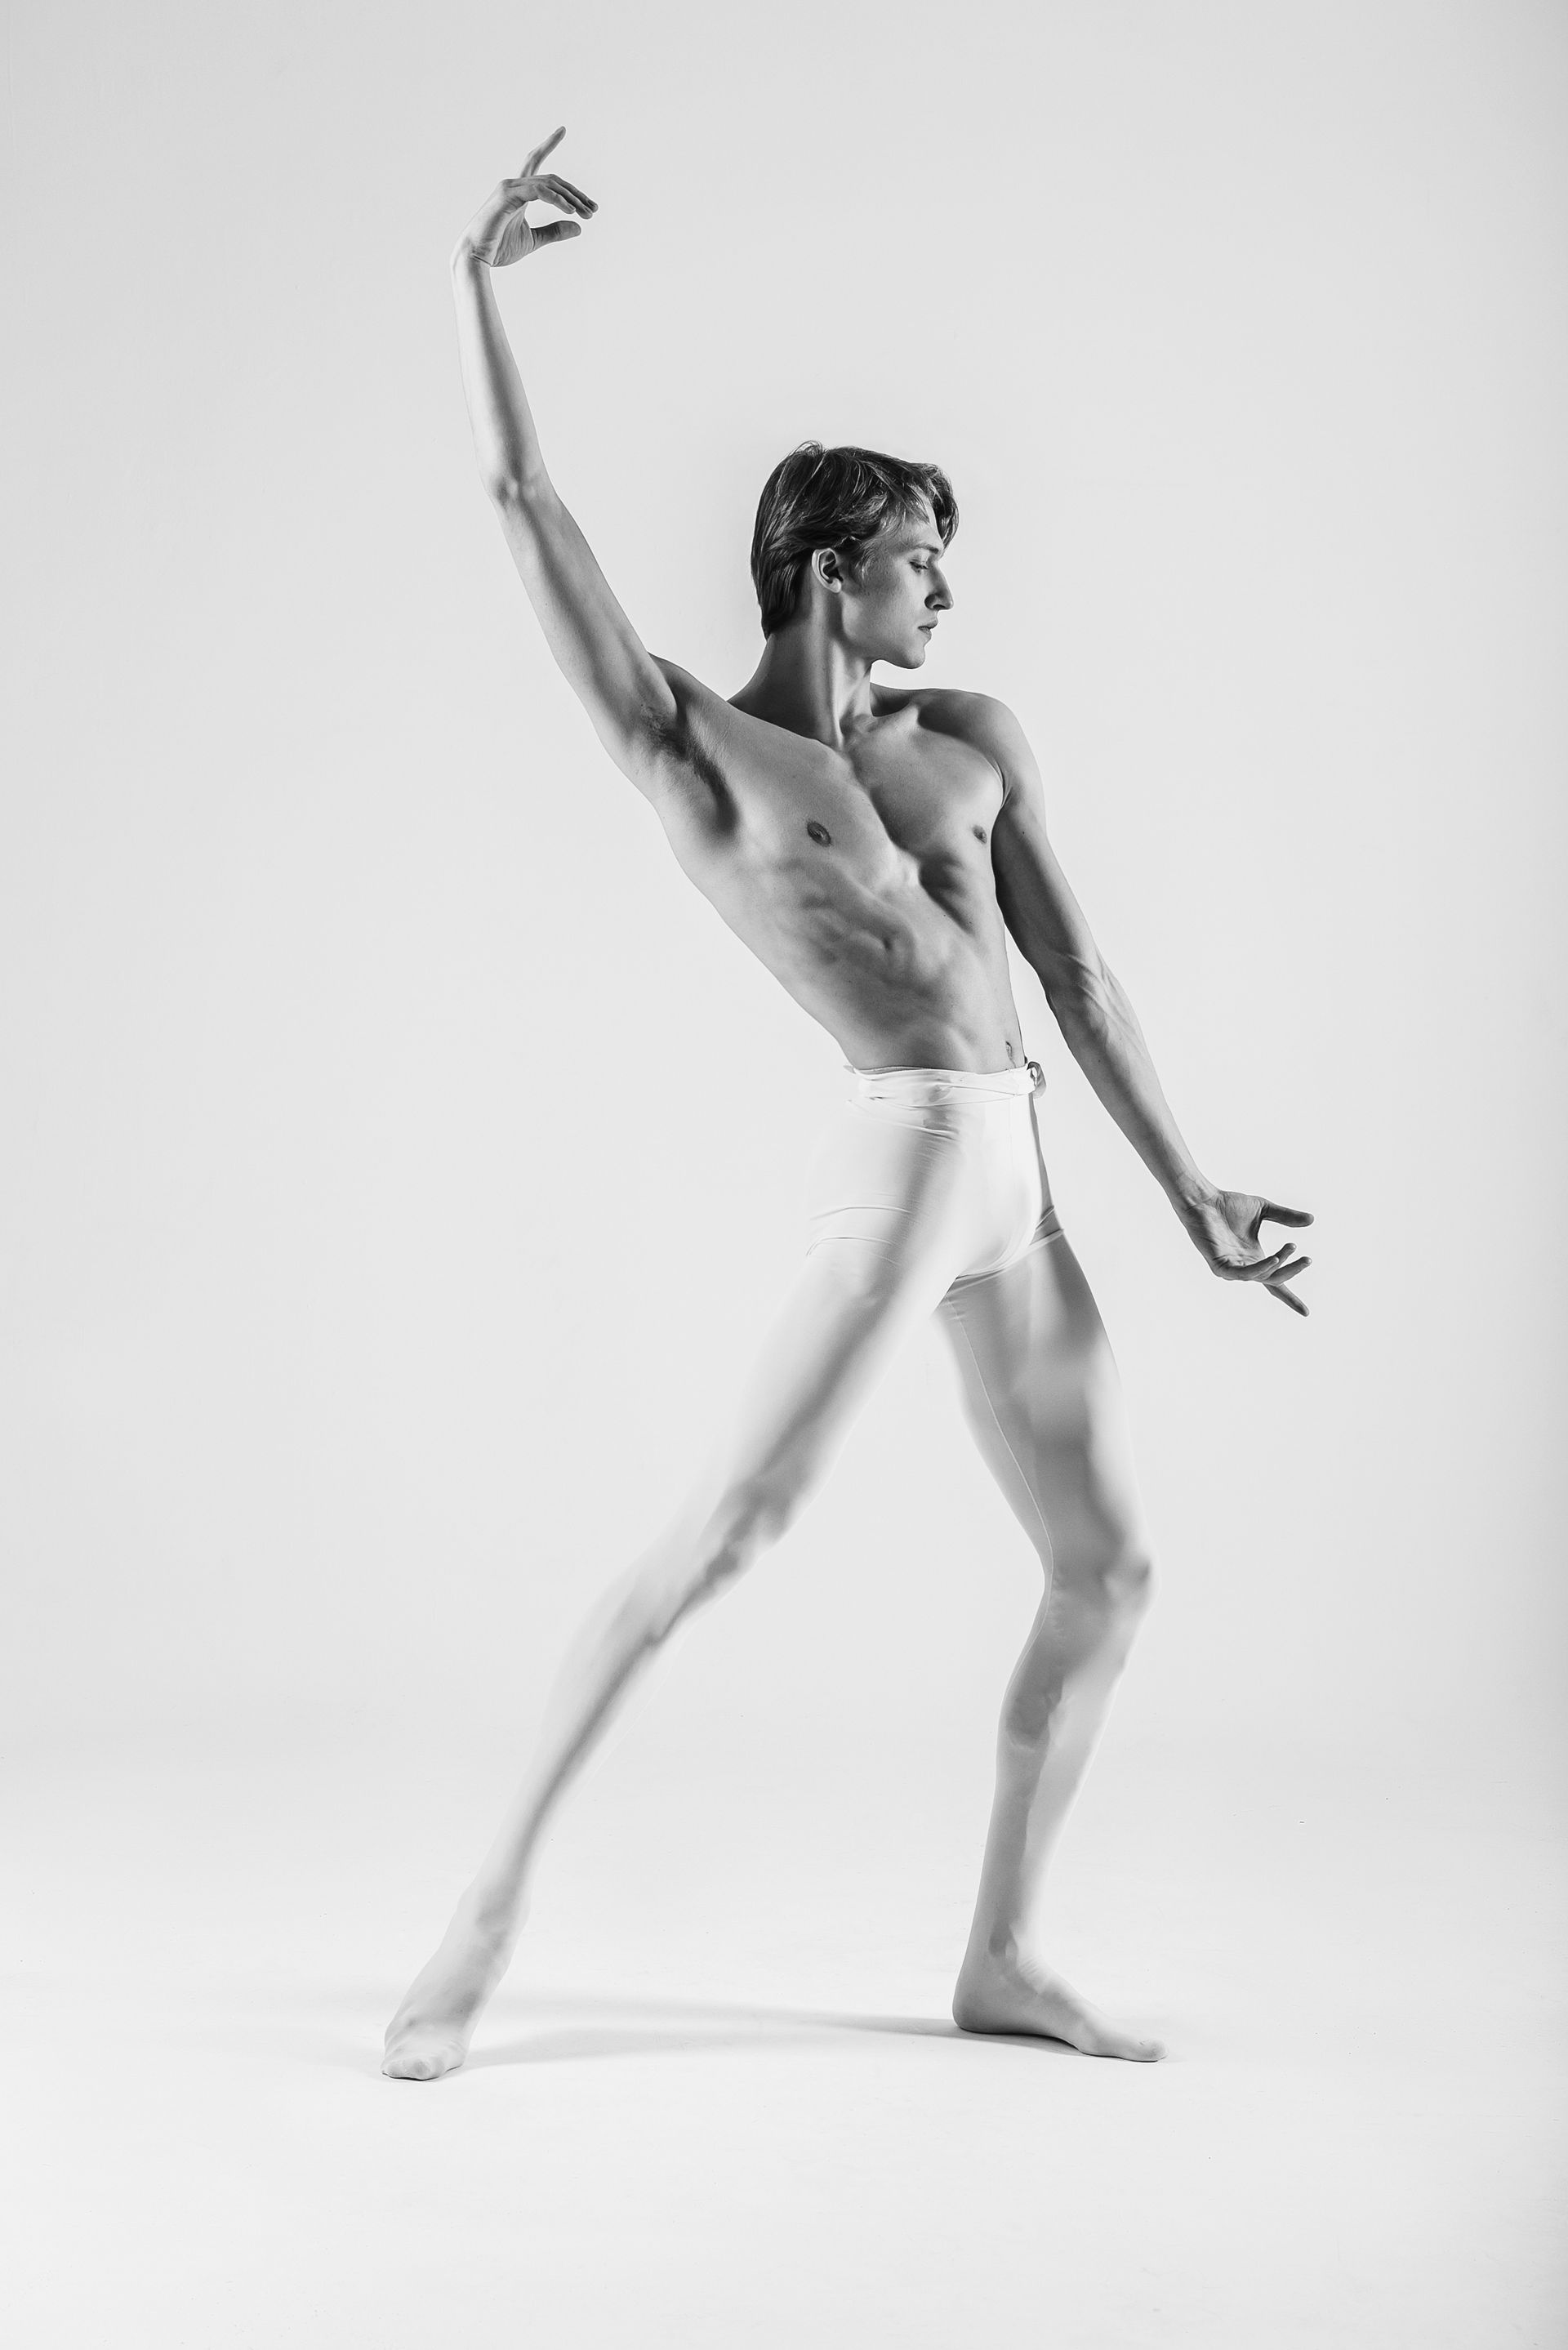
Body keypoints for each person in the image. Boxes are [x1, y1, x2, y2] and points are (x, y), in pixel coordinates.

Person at [382, 129, 1312, 2081]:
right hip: (902, 1161)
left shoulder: (975, 739)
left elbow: (1081, 975)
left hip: (1025, 1172)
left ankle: (1006, 1952)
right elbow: (520, 492)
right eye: (917, 560)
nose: (947, 590)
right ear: (831, 569)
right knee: (734, 1527)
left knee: (1111, 1564)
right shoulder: (699, 756)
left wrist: (1196, 1186)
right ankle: (480, 1914)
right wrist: (475, 283)